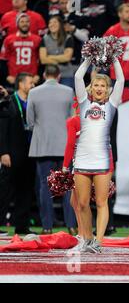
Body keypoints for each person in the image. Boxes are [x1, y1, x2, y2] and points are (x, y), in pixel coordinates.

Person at [73, 56, 124, 253]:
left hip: (102, 160)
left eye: (103, 85)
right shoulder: (84, 103)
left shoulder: (112, 106)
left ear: (108, 89)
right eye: (96, 85)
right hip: (83, 159)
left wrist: (114, 59)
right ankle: (86, 238)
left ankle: (98, 241)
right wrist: (87, 58)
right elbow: (78, 76)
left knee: (102, 202)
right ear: (91, 87)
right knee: (83, 203)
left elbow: (121, 80)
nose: (100, 88)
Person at [26, 64, 76, 235]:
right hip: (65, 147)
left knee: (44, 186)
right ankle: (71, 225)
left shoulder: (33, 92)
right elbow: (73, 121)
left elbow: (30, 122)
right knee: (68, 186)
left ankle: (47, 226)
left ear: (44, 74)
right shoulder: (68, 91)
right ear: (59, 76)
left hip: (43, 145)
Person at [0, 73, 37, 235]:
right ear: (21, 84)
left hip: (30, 152)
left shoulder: (34, 102)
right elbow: (2, 129)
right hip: (12, 153)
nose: (33, 86)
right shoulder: (8, 101)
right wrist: (3, 152)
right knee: (5, 190)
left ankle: (21, 225)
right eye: (30, 83)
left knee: (26, 190)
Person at [62, 99, 87, 249]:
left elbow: (70, 144)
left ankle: (84, 235)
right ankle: (82, 233)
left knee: (80, 202)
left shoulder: (74, 121)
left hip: (81, 163)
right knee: (75, 201)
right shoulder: (95, 122)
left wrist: (65, 166)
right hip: (93, 161)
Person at [0, 13, 41, 86]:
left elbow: (41, 59)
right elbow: (3, 60)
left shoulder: (37, 39)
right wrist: (7, 76)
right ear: (17, 24)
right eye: (22, 22)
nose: (25, 24)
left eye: (27, 21)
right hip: (14, 78)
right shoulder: (8, 39)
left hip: (31, 78)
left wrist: (38, 75)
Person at [39, 15, 75, 88]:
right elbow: (43, 60)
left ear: (60, 24)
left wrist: (49, 57)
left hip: (66, 73)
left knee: (66, 97)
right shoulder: (45, 39)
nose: (52, 25)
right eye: (50, 23)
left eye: (55, 22)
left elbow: (67, 57)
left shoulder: (68, 38)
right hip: (50, 74)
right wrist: (60, 59)